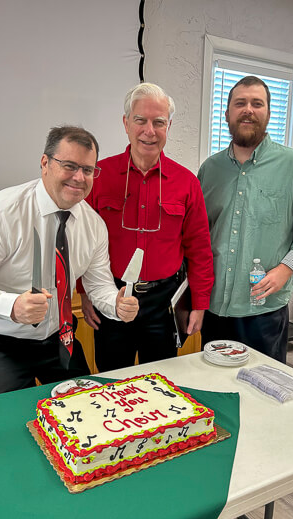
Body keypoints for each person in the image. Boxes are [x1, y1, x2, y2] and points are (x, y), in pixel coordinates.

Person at [0, 126, 139, 395]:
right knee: (16, 421)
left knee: (86, 407)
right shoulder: (2, 212)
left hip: (60, 338)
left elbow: (98, 286)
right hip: (2, 342)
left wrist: (116, 304)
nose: (79, 177)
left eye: (88, 170)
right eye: (69, 166)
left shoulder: (94, 225)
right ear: (45, 163)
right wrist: (13, 305)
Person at [78, 82, 214, 372]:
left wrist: (200, 303)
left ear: (169, 126)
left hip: (164, 305)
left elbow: (199, 248)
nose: (149, 131)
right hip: (110, 296)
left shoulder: (187, 182)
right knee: (112, 384)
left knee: (163, 384)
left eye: (159, 122)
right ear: (126, 123)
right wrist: (84, 293)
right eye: (140, 120)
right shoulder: (98, 177)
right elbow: (79, 242)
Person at [198, 76, 293, 363]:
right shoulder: (210, 169)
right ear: (227, 114)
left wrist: (286, 268)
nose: (248, 109)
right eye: (240, 103)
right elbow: (198, 234)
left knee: (263, 391)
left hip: (263, 308)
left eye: (257, 103)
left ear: (268, 113)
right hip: (214, 306)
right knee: (214, 391)